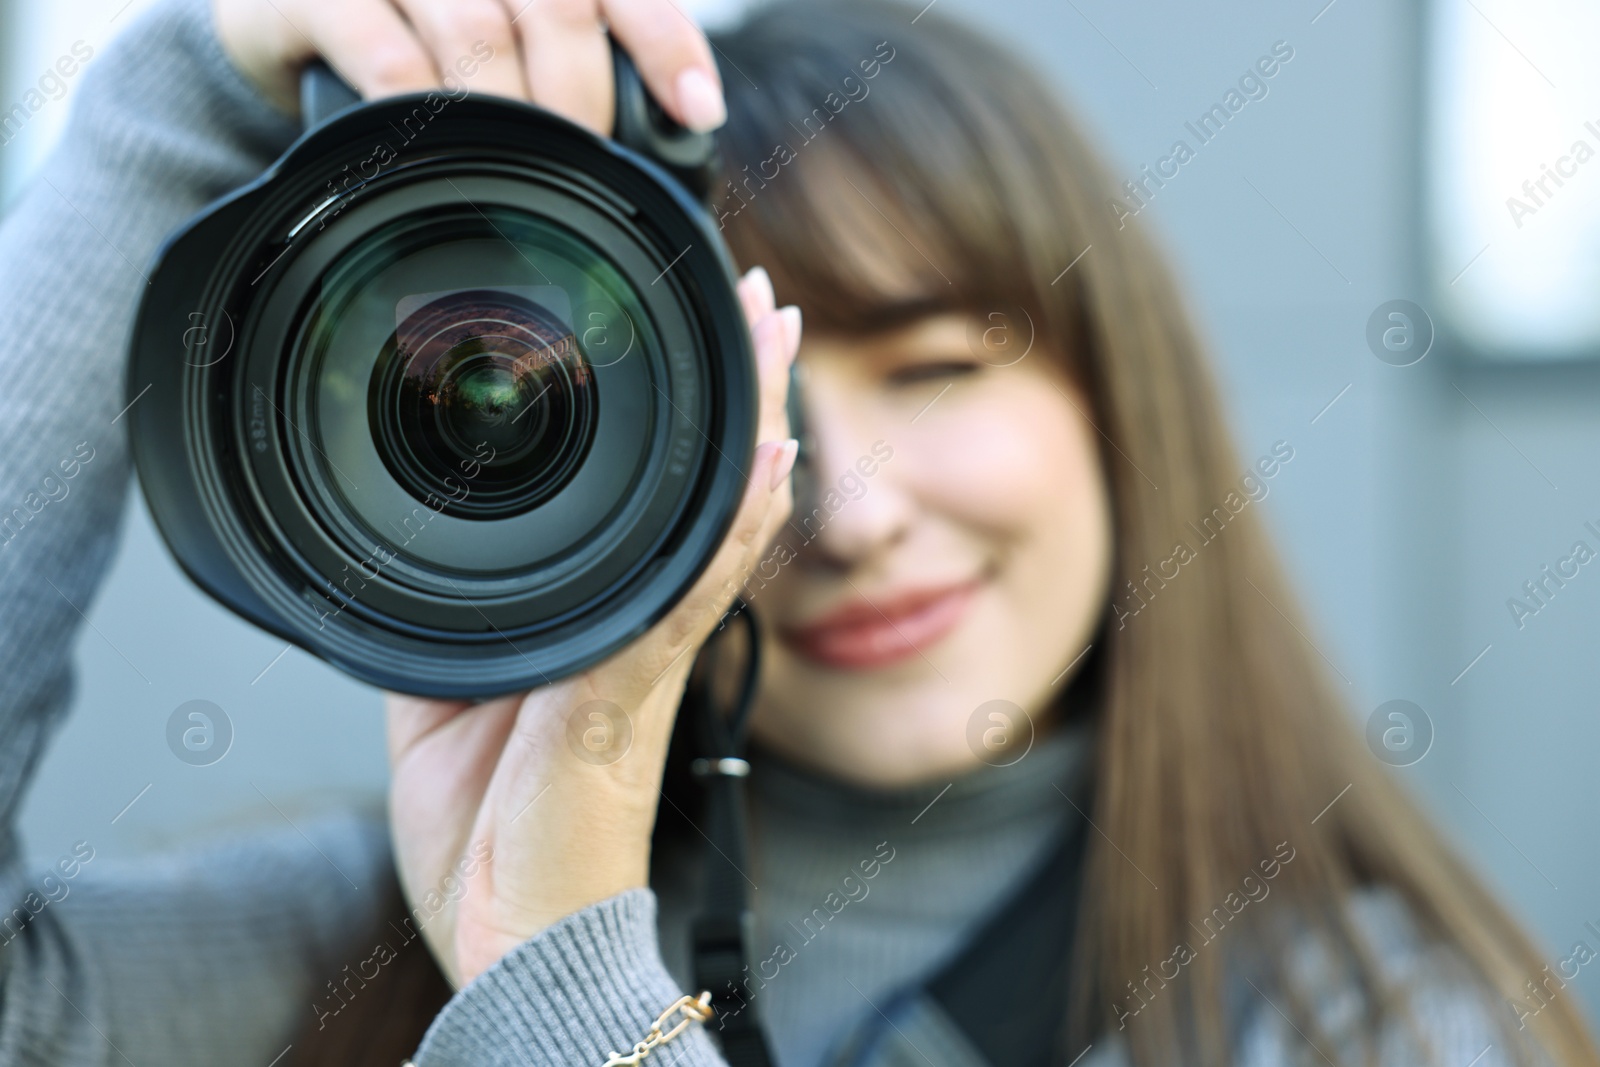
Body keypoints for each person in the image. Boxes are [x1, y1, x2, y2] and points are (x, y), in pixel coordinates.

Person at [0, 0, 1591, 1065]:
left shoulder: (1369, 1024)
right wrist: (190, 93)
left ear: (1126, 403)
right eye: (737, 406)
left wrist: (561, 984)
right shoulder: (376, 935)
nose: (847, 506)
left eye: (944, 366)